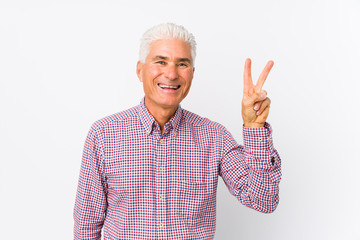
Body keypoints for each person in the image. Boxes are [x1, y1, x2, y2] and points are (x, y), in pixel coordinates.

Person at [73, 23, 281, 240]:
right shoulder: (104, 135)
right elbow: (87, 224)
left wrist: (255, 128)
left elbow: (263, 200)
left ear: (192, 74)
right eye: (161, 61)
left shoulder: (214, 137)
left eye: (182, 64)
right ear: (140, 70)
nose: (171, 74)